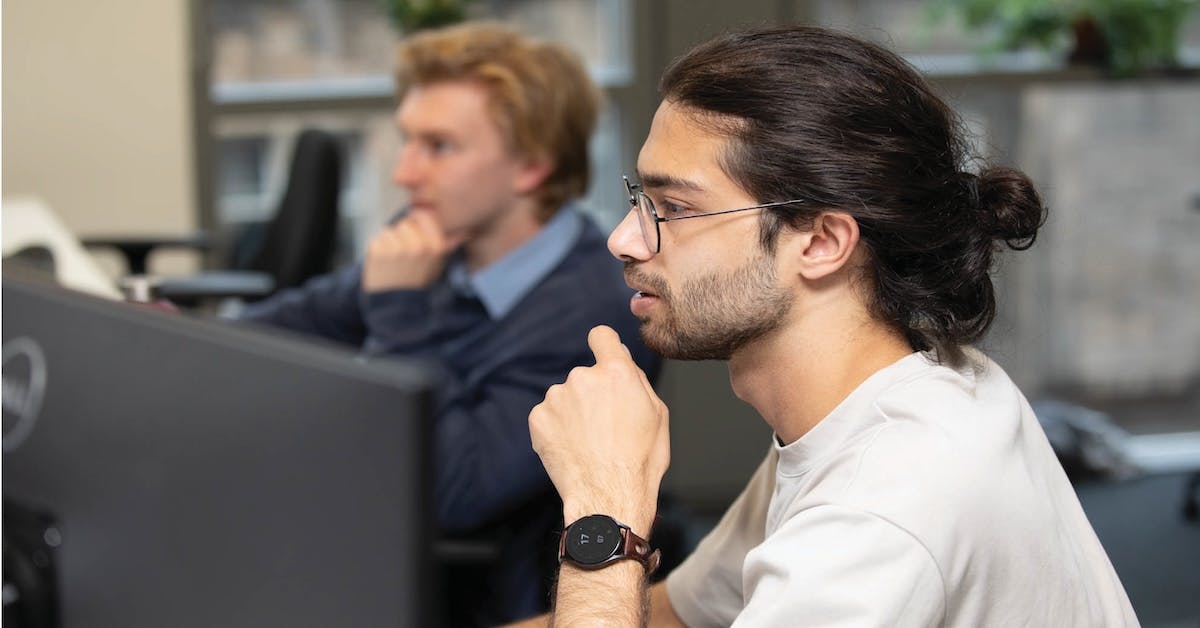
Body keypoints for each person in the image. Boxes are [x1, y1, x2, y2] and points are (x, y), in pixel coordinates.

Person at [520, 25, 1138, 627]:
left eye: (675, 209)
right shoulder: (892, 392)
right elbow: (680, 612)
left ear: (820, 242)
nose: (623, 239)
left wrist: (604, 506)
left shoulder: (879, 512)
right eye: (641, 201)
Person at [235, 21, 658, 624]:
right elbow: (277, 326)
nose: (403, 173)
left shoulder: (594, 316)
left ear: (531, 166)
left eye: (438, 147)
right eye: (408, 142)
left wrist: (402, 313)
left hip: (487, 603)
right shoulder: (441, 248)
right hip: (359, 531)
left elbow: (455, 494)